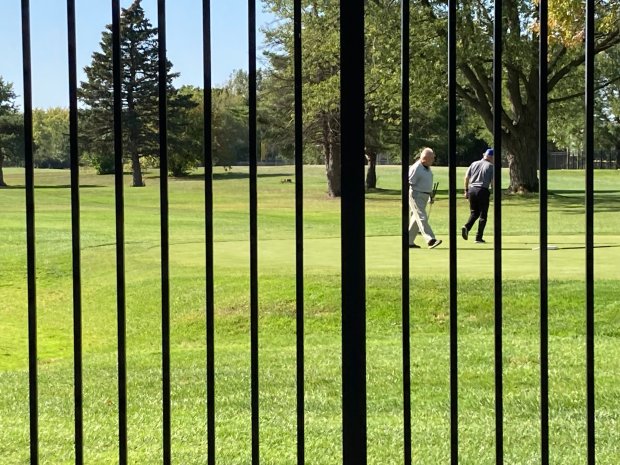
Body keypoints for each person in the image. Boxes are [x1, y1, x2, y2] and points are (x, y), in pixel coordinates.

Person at [408, 147, 442, 249]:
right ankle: (430, 240)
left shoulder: (427, 167)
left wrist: (430, 196)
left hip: (424, 195)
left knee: (416, 219)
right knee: (422, 217)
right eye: (431, 158)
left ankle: (408, 242)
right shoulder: (416, 167)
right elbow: (409, 182)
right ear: (424, 158)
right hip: (416, 195)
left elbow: (426, 183)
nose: (433, 160)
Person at [462, 148, 495, 243]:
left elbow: (466, 177)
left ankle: (467, 227)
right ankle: (478, 237)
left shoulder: (474, 163)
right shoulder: (491, 166)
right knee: (483, 215)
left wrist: (466, 190)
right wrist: (493, 192)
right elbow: (493, 182)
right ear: (491, 157)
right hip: (482, 190)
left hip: (472, 189)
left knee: (474, 212)